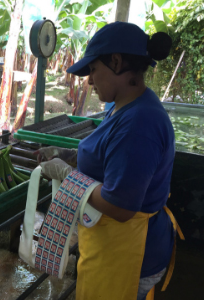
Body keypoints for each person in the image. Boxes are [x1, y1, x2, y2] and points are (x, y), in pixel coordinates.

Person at [34, 22, 181, 300]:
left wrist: (67, 174)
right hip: (109, 241)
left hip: (129, 253)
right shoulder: (119, 107)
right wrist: (69, 156)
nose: (89, 80)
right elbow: (110, 157)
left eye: (92, 70)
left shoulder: (140, 123)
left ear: (116, 62)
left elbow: (120, 205)